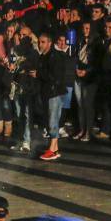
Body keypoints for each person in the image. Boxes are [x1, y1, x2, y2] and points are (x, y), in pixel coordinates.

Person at [34, 32, 68, 160]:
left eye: (43, 42)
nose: (40, 44)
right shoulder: (44, 56)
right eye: (39, 42)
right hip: (48, 92)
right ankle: (54, 147)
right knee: (50, 119)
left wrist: (38, 74)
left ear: (49, 43)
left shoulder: (55, 56)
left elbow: (55, 77)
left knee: (52, 120)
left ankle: (52, 150)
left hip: (54, 93)